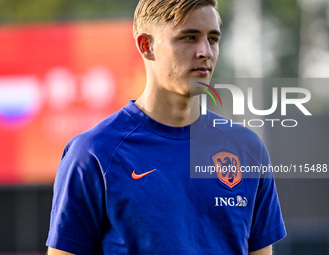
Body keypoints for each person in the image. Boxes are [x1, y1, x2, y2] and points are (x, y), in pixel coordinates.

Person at [46, 0, 286, 254]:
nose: (205, 51)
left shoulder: (246, 148)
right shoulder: (92, 154)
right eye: (189, 38)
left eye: (213, 39)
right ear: (146, 46)